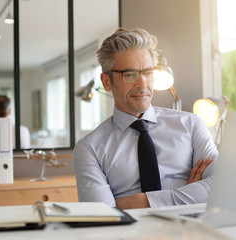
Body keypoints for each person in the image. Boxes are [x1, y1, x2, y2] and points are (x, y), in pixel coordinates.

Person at [73, 28, 218, 209]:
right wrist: (189, 195)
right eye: (129, 74)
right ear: (106, 82)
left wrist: (144, 202)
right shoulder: (90, 148)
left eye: (148, 72)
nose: (142, 84)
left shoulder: (191, 125)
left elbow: (222, 186)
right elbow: (103, 216)